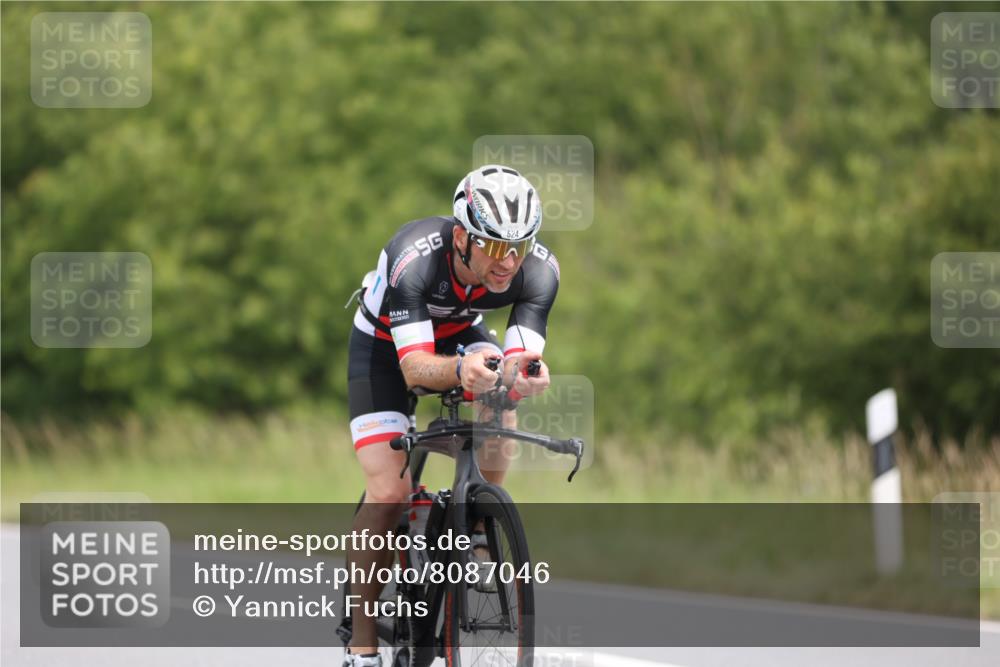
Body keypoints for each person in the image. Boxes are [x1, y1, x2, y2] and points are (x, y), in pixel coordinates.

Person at [342, 165, 559, 665]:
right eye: (496, 247)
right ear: (461, 237)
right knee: (390, 492)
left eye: (520, 247)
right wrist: (462, 369)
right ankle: (362, 645)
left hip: (458, 331)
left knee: (502, 396)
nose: (509, 262)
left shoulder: (538, 270)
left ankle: (480, 524)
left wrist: (524, 374)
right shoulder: (414, 258)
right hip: (382, 349)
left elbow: (519, 356)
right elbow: (415, 367)